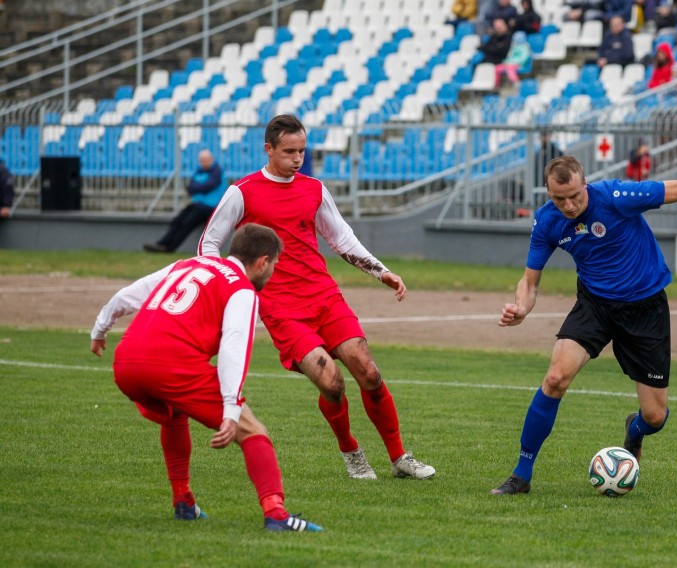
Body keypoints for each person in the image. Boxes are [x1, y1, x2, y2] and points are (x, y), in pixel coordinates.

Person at [490, 155, 677, 495]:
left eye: (574, 196)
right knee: (555, 378)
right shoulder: (548, 221)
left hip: (645, 308)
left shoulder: (615, 197)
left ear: (586, 184)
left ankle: (635, 430)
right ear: (548, 193)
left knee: (655, 416)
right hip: (595, 305)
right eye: (559, 198)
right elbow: (530, 281)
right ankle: (521, 474)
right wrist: (522, 307)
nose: (568, 205)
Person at [198, 114, 435, 481]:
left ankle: (399, 456)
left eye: (302, 151)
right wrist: (232, 287)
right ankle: (351, 451)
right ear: (269, 149)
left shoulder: (313, 188)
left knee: (369, 372)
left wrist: (381, 271)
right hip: (281, 309)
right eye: (289, 151)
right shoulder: (242, 191)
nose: (297, 158)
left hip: (324, 296)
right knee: (332, 382)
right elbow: (208, 244)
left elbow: (342, 238)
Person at [90, 223, 323, 532]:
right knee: (252, 430)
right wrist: (231, 408)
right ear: (263, 262)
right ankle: (277, 514)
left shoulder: (189, 264)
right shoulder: (242, 289)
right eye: (275, 265)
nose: (273, 272)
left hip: (126, 361)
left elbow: (127, 295)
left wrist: (99, 330)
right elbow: (233, 349)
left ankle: (183, 501)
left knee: (174, 413)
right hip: (170, 364)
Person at [144, 149, 228, 253]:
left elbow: (207, 186)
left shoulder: (217, 171)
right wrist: (198, 188)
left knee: (187, 223)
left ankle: (170, 248)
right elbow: (191, 187)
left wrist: (197, 188)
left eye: (205, 160)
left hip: (210, 207)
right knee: (178, 220)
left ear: (211, 160)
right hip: (198, 204)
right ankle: (162, 243)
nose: (203, 163)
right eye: (201, 161)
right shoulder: (199, 170)